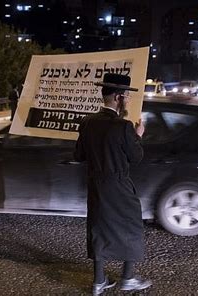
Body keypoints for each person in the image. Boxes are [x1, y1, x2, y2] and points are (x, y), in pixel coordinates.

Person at [74, 73, 152, 295]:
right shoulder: (124, 126)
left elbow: (79, 155)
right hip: (119, 185)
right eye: (126, 96)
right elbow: (136, 157)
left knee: (99, 228)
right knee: (131, 226)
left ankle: (99, 282)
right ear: (118, 97)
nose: (127, 100)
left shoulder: (87, 123)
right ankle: (127, 278)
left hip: (96, 185)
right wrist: (138, 136)